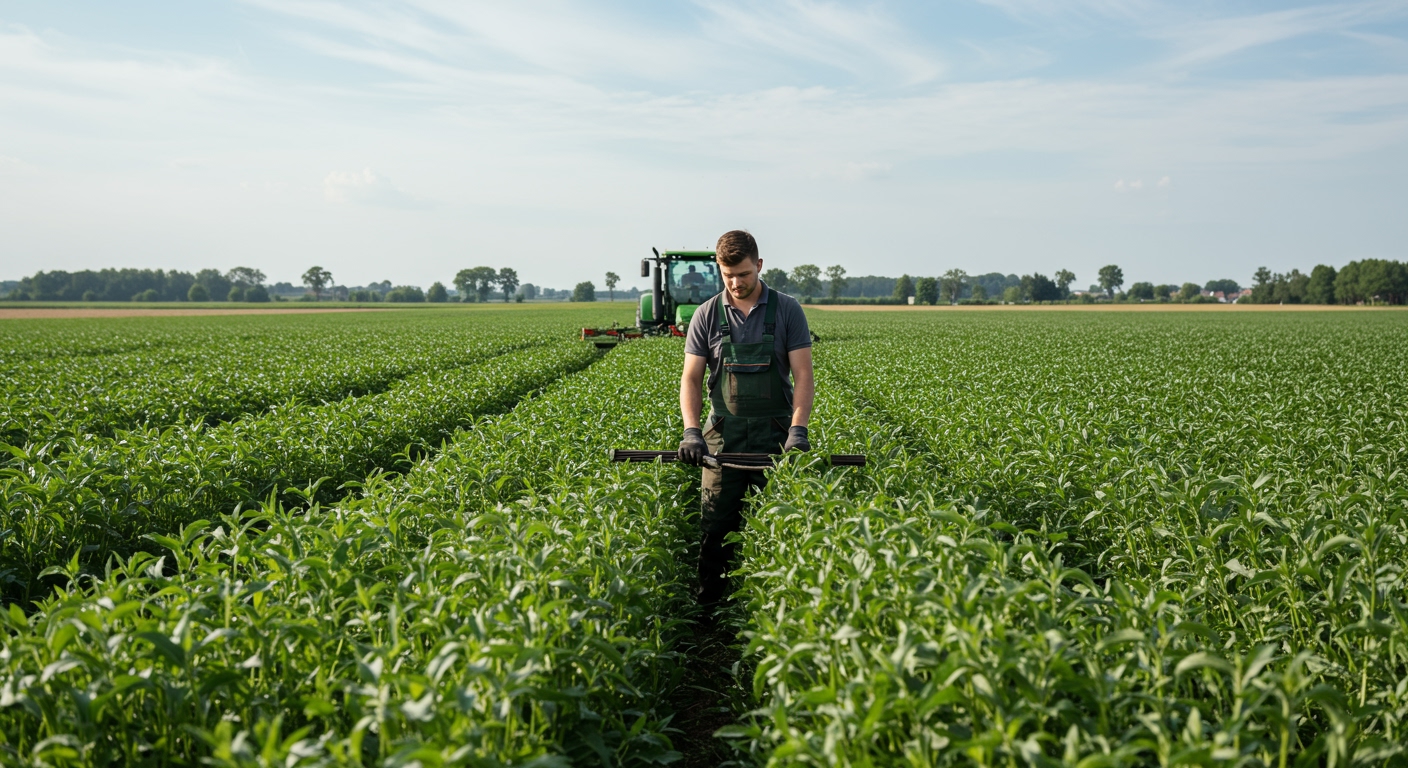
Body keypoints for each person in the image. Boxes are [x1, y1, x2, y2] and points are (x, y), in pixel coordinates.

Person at [678, 230, 814, 607]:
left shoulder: (787, 310)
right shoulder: (707, 314)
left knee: (781, 524)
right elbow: (691, 379)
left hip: (776, 436)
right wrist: (692, 432)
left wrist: (798, 430)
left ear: (759, 265)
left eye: (743, 274)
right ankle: (709, 609)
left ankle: (776, 606)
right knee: (715, 527)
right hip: (723, 438)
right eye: (728, 276)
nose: (736, 283)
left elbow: (803, 375)